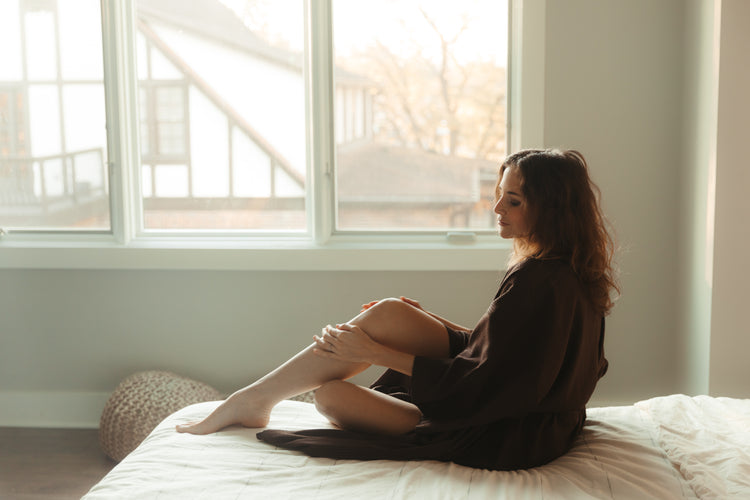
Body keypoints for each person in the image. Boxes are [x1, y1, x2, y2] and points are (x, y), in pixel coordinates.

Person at [176, 148, 619, 470]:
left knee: (329, 395)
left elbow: (487, 382)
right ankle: (253, 399)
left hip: (507, 431)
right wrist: (424, 320)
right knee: (392, 312)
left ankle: (253, 400)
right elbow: (507, 352)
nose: (497, 208)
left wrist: (373, 350)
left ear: (552, 210)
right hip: (523, 413)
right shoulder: (567, 267)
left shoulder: (539, 281)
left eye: (514, 201)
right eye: (500, 194)